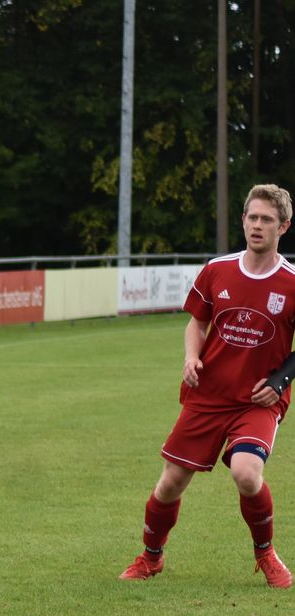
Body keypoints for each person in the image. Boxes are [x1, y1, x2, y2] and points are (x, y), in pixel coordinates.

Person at [120, 184, 295, 589]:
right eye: (252, 217)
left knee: (247, 473)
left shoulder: (291, 282)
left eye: (267, 219)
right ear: (243, 220)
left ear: (283, 226)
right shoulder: (218, 269)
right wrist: (190, 357)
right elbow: (197, 323)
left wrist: (280, 380)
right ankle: (151, 557)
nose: (257, 225)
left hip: (257, 400)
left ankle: (265, 554)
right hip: (208, 394)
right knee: (170, 483)